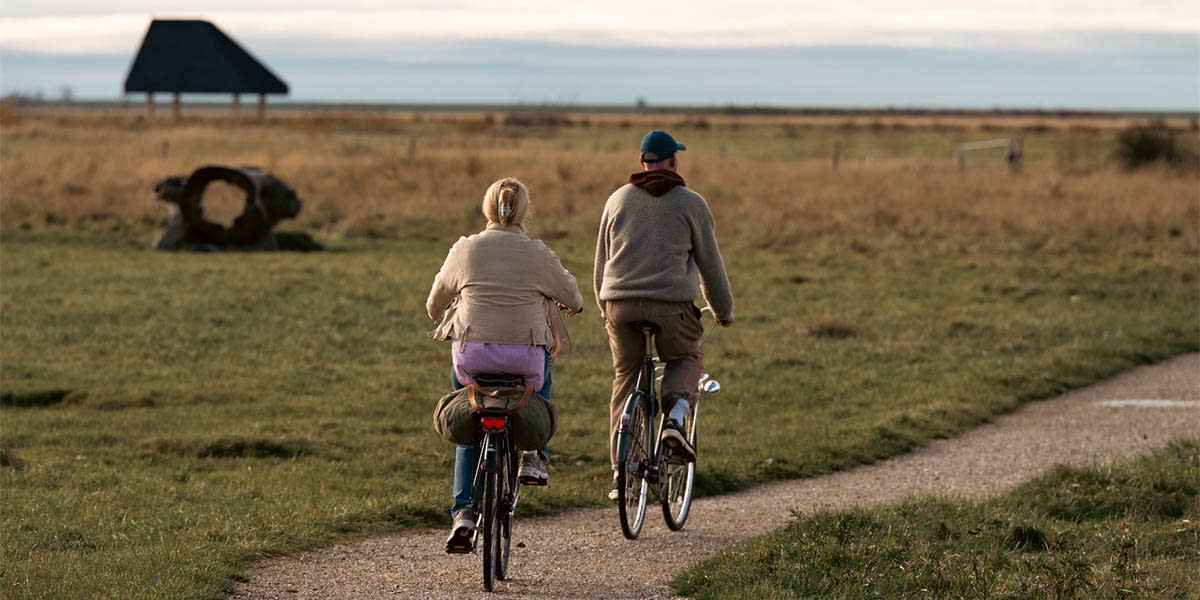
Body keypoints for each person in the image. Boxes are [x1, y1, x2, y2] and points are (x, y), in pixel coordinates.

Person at [427, 177, 584, 552]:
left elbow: (434, 306)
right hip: (524, 362)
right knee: (542, 370)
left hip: (472, 361)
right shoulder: (537, 252)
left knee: (470, 420)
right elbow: (575, 299)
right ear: (524, 210)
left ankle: (464, 513)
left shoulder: (465, 249)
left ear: (487, 209)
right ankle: (533, 455)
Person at [593, 130, 734, 501]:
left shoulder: (617, 200)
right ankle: (674, 420)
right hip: (672, 307)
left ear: (642, 162)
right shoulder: (692, 203)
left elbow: (600, 263)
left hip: (619, 305)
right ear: (673, 160)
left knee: (625, 377)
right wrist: (723, 311)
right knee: (685, 357)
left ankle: (621, 474)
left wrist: (604, 308)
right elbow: (710, 268)